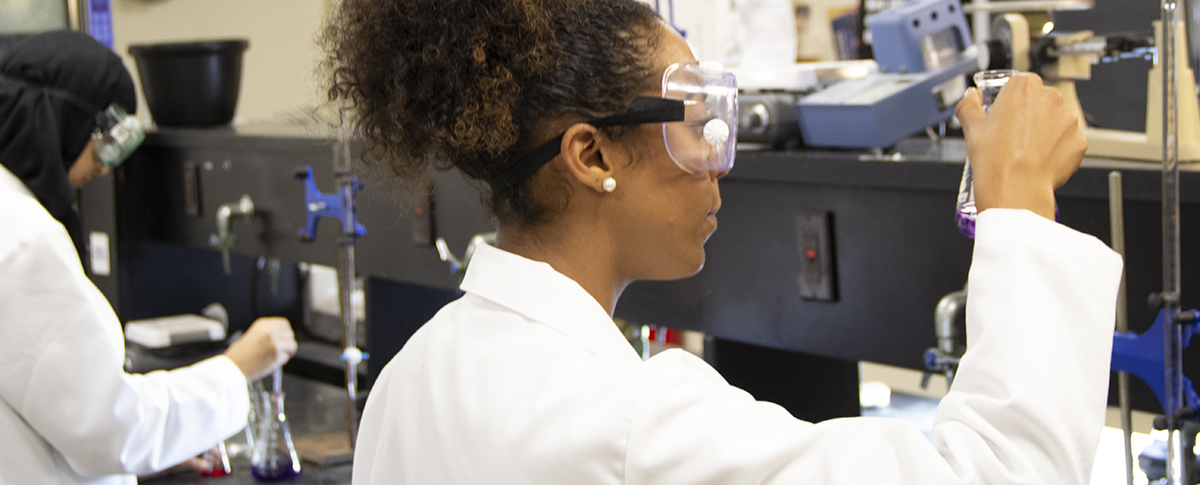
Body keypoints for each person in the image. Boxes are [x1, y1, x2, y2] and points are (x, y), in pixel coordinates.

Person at [326, 1, 1121, 483]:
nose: (719, 168)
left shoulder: (410, 378)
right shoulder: (631, 421)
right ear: (592, 155)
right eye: (698, 126)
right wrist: (1017, 207)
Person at [0, 31, 299, 484]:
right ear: (62, 121)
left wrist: (157, 449)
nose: (103, 168)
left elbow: (64, 413)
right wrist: (237, 367)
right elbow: (112, 427)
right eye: (104, 144)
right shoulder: (24, 241)